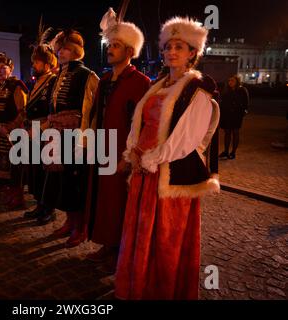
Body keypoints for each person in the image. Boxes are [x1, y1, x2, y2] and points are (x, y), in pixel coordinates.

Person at [115, 17, 220, 300]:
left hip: (168, 174)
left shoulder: (197, 90)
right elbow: (140, 124)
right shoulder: (158, 86)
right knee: (139, 232)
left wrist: (152, 159)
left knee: (165, 238)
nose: (171, 52)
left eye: (180, 47)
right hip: (143, 171)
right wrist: (133, 151)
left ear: (192, 53)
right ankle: (136, 286)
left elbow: (186, 140)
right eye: (168, 47)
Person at [84, 8, 150, 274]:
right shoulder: (104, 80)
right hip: (103, 149)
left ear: (130, 51)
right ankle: (107, 244)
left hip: (122, 153)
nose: (110, 49)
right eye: (109, 44)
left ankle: (119, 253)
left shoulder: (141, 83)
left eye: (116, 45)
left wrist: (130, 156)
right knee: (103, 200)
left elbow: (143, 125)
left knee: (120, 204)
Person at [46, 29, 99, 247]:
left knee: (77, 183)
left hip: (77, 136)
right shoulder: (60, 74)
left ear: (76, 51)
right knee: (64, 182)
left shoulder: (86, 74)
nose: (61, 52)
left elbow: (90, 110)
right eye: (60, 48)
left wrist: (85, 141)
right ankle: (69, 221)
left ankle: (81, 227)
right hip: (58, 134)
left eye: (66, 49)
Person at [23, 25, 58, 225]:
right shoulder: (37, 81)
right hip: (32, 131)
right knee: (35, 171)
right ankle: (39, 204)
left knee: (46, 172)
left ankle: (49, 208)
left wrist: (40, 129)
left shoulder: (53, 81)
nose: (33, 64)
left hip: (45, 131)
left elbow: (52, 109)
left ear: (46, 63)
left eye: (37, 61)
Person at [0, 52, 28, 209]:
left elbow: (23, 111)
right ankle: (10, 193)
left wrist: (9, 127)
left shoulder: (17, 86)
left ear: (11, 69)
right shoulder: (0, 86)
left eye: (3, 68)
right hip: (0, 131)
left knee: (15, 167)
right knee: (4, 167)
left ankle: (19, 197)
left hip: (13, 133)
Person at [218, 75, 249, 159]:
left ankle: (233, 152)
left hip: (237, 115)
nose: (230, 82)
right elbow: (222, 102)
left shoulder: (242, 90)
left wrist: (243, 112)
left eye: (232, 81)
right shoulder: (226, 91)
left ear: (237, 82)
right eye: (229, 81)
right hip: (227, 114)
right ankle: (226, 151)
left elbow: (246, 103)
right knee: (227, 132)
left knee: (235, 132)